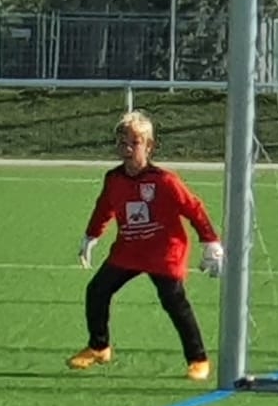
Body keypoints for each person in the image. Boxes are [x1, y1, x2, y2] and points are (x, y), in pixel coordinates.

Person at [71, 111, 223, 381]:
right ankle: (99, 347)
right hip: (129, 249)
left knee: (174, 301)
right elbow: (104, 207)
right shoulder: (114, 179)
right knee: (97, 290)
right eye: (122, 142)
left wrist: (210, 241)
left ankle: (198, 359)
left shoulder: (165, 181)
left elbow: (194, 209)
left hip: (164, 251)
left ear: (149, 146)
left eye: (135, 142)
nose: (128, 148)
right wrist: (91, 235)